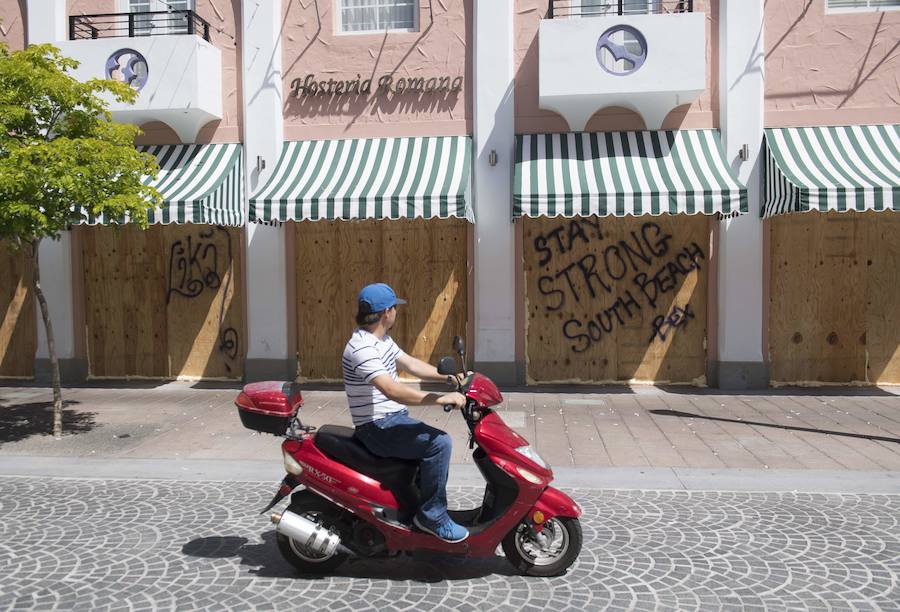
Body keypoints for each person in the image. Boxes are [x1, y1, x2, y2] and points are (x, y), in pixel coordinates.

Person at [343, 282, 469, 543]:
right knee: (439, 443)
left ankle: (417, 506)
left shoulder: (380, 340)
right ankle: (432, 518)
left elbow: (409, 363)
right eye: (394, 308)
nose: (396, 313)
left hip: (391, 420)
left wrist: (448, 378)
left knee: (428, 443)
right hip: (377, 427)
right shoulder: (362, 348)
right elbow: (392, 390)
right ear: (387, 312)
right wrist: (441, 398)